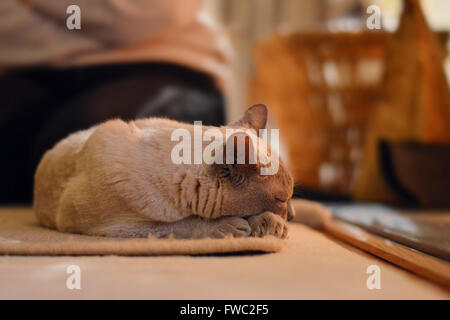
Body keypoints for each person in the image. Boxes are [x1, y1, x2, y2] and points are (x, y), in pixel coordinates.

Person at [0, 0, 232, 203]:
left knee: (86, 147)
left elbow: (154, 11)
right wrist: (102, 25)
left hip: (166, 65)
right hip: (34, 71)